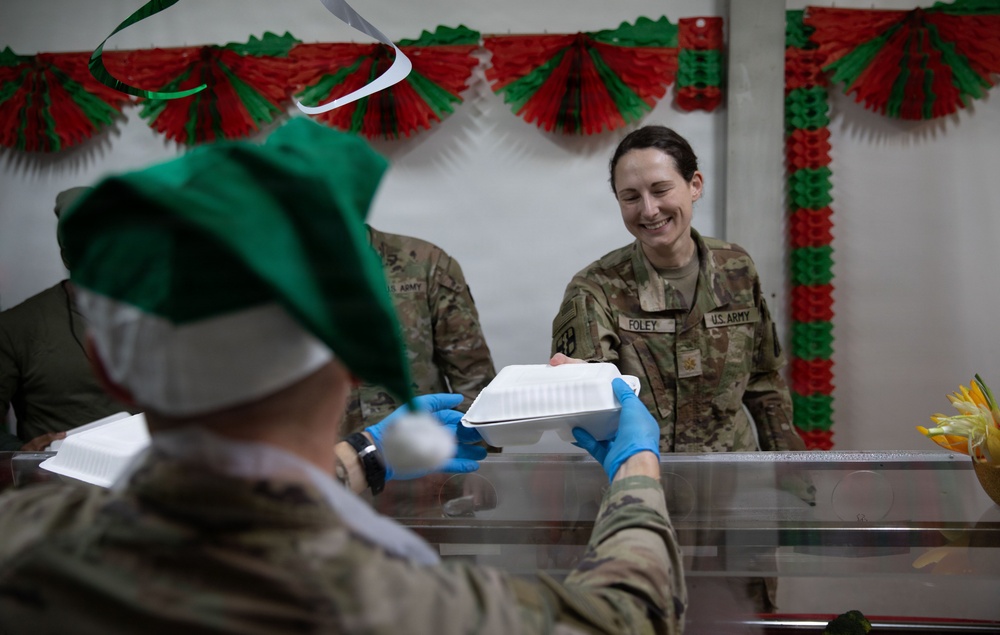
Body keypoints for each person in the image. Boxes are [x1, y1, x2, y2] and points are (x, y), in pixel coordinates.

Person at [0, 118, 685, 634]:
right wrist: (636, 466)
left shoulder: (22, 539)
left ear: (111, 367)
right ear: (357, 348)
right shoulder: (404, 606)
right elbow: (625, 616)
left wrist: (361, 458)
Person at [551, 125, 805, 455]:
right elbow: (593, 400)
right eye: (630, 197)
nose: (648, 209)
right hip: (642, 480)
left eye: (661, 190)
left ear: (694, 185)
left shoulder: (737, 268)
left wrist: (793, 478)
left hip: (734, 483)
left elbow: (764, 383)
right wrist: (580, 385)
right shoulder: (595, 288)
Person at [0, 187, 137, 451]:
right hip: (63, 484)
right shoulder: (16, 327)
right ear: (67, 256)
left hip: (149, 481)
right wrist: (20, 452)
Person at [342, 226, 496, 436]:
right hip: (306, 460)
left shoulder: (424, 263)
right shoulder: (284, 278)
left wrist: (472, 452)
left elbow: (475, 383)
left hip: (420, 456)